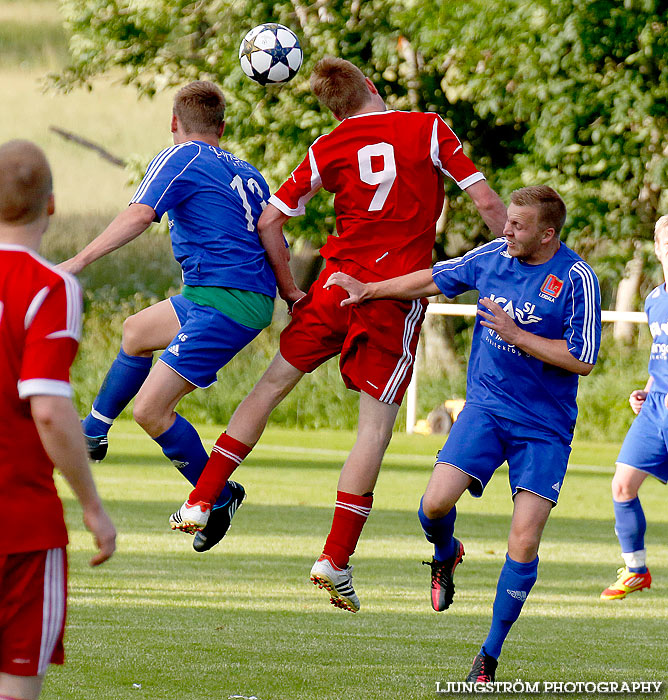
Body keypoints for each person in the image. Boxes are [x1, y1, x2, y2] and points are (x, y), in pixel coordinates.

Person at [170, 56, 507, 612]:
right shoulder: (426, 127)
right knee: (372, 430)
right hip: (394, 295)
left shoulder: (326, 148)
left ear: (334, 107)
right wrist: (517, 264)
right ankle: (334, 557)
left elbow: (270, 221)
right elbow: (488, 202)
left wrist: (290, 289)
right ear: (372, 87)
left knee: (270, 387)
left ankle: (203, 499)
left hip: (332, 284)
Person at [326, 186, 601, 679]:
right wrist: (371, 289)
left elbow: (582, 358)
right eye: (508, 222)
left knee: (523, 541)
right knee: (433, 505)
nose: (507, 231)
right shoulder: (493, 256)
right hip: (487, 412)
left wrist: (517, 335)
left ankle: (488, 656)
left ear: (547, 233)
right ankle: (445, 552)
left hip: (544, 428)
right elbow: (433, 278)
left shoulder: (577, 278)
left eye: (518, 226)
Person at [59, 81, 281, 553]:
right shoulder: (248, 170)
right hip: (222, 294)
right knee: (136, 331)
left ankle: (217, 496)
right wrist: (291, 292)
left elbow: (141, 214)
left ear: (174, 124)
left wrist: (75, 263)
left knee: (150, 410)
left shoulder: (180, 156)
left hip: (225, 301)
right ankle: (93, 432)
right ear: (222, 127)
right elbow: (271, 234)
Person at [0, 139, 116, 700]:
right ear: (51, 205)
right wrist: (92, 506)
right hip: (20, 523)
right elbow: (48, 409)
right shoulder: (50, 289)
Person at [600, 215, 668, 600]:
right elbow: (660, 358)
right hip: (656, 407)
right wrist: (646, 391)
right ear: (657, 248)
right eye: (666, 242)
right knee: (623, 485)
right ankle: (636, 569)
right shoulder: (655, 300)